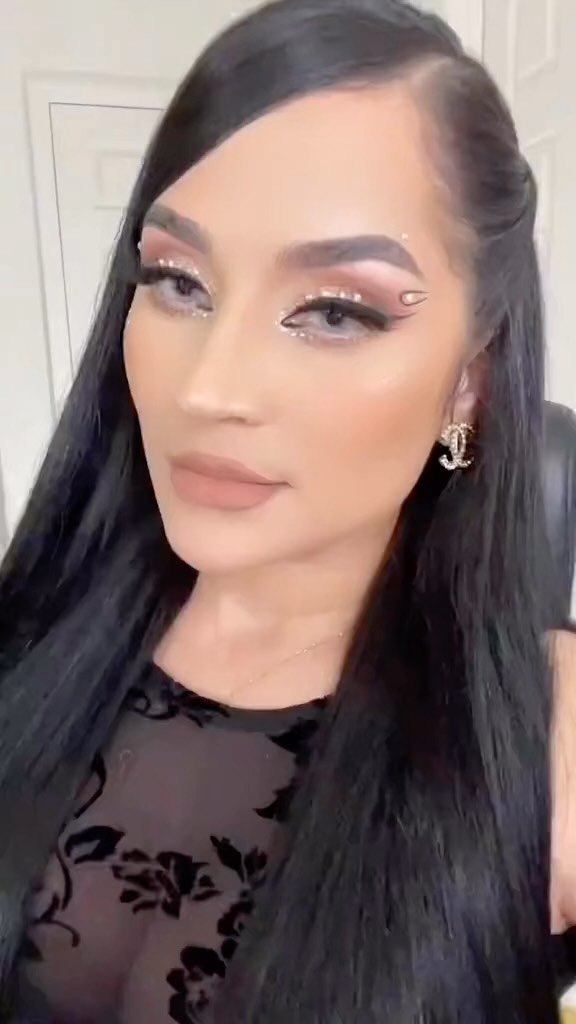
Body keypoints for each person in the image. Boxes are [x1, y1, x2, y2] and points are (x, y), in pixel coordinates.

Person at [1, 0, 575, 1021]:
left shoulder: (538, 763)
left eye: (335, 311)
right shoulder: (35, 627)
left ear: (471, 381)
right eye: (178, 282)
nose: (208, 386)